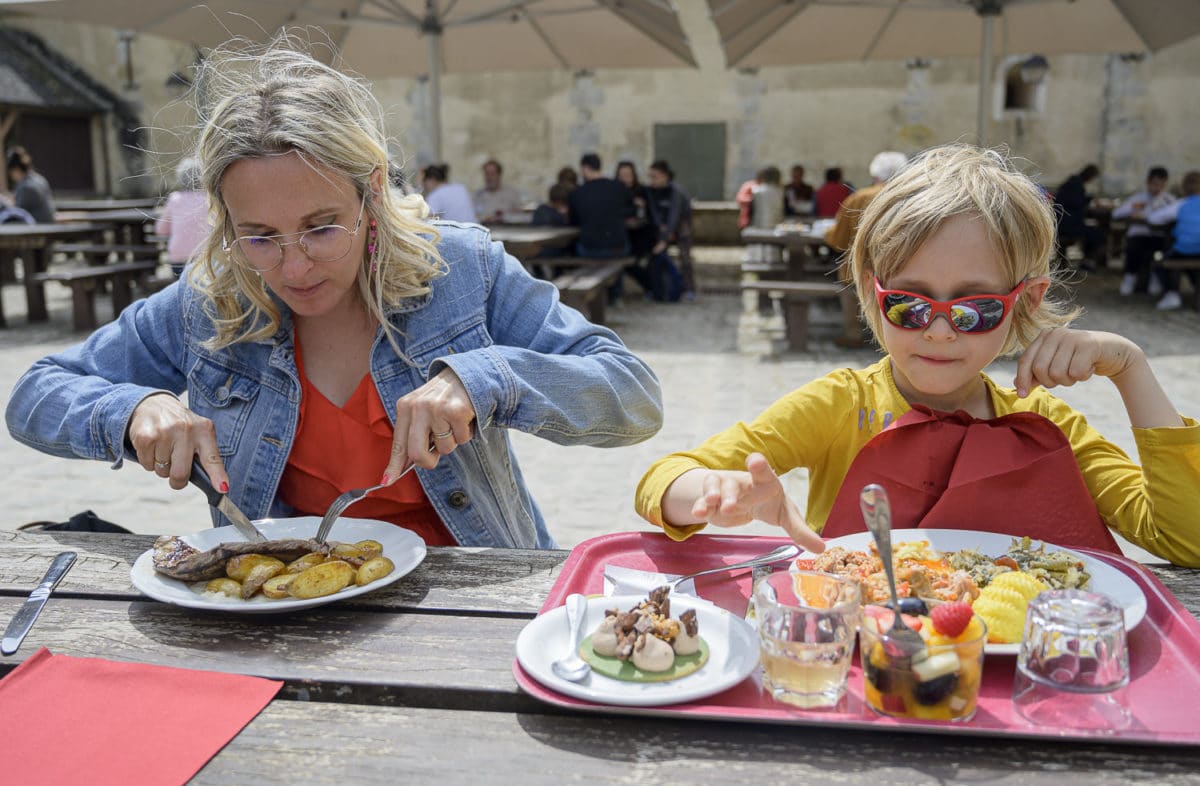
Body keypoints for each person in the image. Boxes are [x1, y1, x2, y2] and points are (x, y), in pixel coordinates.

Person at [5, 35, 663, 550]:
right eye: (259, 235)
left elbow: (632, 398)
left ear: (372, 189)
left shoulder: (463, 270)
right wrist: (129, 410)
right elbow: (35, 393)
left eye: (321, 227)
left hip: (477, 595)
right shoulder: (209, 300)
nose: (294, 267)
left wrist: (488, 379)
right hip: (297, 605)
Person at [634, 144, 1199, 567]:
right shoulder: (840, 407)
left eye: (975, 309)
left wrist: (1131, 369)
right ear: (871, 291)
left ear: (1024, 302)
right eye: (908, 304)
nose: (937, 331)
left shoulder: (1046, 424)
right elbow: (662, 480)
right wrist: (715, 494)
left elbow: (1184, 538)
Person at [823, 151, 909, 348]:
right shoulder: (910, 198)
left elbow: (839, 239)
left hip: (859, 271)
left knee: (846, 275)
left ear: (875, 174)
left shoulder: (859, 197)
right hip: (900, 267)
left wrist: (827, 234)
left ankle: (853, 333)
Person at [1112, 166, 1175, 297]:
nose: (1157, 188)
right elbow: (1116, 214)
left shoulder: (1169, 200)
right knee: (1135, 247)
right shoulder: (1138, 198)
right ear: (1148, 182)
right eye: (1154, 184)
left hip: (1159, 236)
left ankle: (1156, 278)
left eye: (1161, 184)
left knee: (1162, 250)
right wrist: (1132, 211)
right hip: (1139, 235)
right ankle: (1130, 278)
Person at [1146, 170, 1200, 311]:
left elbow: (1153, 218)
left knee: (1160, 261)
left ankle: (1171, 292)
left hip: (1184, 249)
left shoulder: (1181, 204)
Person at [568, 152, 633, 259]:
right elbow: (631, 210)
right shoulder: (618, 187)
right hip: (619, 247)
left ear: (585, 168)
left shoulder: (577, 193)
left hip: (590, 249)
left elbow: (573, 221)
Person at [646, 159, 695, 300]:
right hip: (664, 229)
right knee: (654, 255)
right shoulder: (653, 192)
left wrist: (665, 238)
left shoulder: (676, 192)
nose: (652, 180)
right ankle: (657, 288)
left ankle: (689, 288)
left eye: (654, 177)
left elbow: (675, 216)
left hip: (680, 228)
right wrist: (662, 230)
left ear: (665, 175)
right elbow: (654, 213)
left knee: (685, 258)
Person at [155, 157, 210, 277]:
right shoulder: (209, 199)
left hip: (178, 257)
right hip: (204, 256)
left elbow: (161, 230)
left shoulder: (174, 199)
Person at [1054, 163, 1104, 271]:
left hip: (1061, 223)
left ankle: (1086, 261)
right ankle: (1087, 261)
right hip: (1067, 225)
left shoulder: (1073, 183)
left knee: (1092, 231)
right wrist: (1089, 201)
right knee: (1097, 234)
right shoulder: (1075, 185)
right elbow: (1077, 203)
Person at [615, 160, 656, 266]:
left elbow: (649, 213)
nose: (625, 179)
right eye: (622, 176)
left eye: (628, 175)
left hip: (640, 233)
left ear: (634, 175)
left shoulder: (642, 190)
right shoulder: (614, 192)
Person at [5, 146, 55, 223]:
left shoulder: (27, 187)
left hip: (39, 228)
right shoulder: (39, 179)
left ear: (16, 170)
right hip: (46, 225)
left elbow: (16, 212)